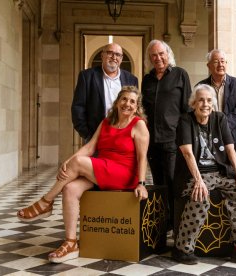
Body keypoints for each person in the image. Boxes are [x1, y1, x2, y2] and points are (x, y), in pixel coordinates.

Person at [17, 86, 149, 263]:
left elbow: (142, 158)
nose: (127, 104)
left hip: (123, 174)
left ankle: (46, 202)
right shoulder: (106, 122)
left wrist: (141, 183)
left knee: (79, 163)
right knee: (70, 188)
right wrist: (68, 161)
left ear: (137, 106)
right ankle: (71, 242)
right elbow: (90, 147)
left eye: (132, 101)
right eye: (124, 99)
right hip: (103, 169)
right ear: (117, 102)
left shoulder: (139, 125)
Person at [171, 84, 236, 267]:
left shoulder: (219, 118)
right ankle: (182, 248)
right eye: (200, 100)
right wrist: (198, 181)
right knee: (201, 195)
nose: (205, 104)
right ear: (193, 103)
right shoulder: (185, 120)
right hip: (194, 174)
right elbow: (188, 153)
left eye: (208, 100)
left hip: (219, 173)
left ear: (213, 103)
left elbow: (230, 149)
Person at [141, 39, 192, 230]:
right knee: (158, 182)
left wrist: (185, 139)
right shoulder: (147, 79)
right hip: (152, 140)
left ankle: (177, 223)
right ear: (150, 58)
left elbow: (187, 109)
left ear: (168, 54)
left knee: (172, 181)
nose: (158, 58)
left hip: (173, 138)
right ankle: (163, 221)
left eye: (161, 54)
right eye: (154, 55)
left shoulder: (180, 74)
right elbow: (143, 109)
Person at [72, 43, 138, 141]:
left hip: (123, 137)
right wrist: (86, 134)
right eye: (110, 53)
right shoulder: (87, 76)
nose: (114, 57)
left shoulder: (131, 79)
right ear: (102, 55)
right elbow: (78, 107)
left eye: (118, 54)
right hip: (96, 137)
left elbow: (136, 107)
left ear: (121, 58)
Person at [197, 49, 236, 158]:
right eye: (216, 62)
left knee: (233, 167)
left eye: (223, 61)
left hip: (232, 134)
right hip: (208, 133)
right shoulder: (201, 86)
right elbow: (197, 110)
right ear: (208, 65)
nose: (220, 64)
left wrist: (223, 127)